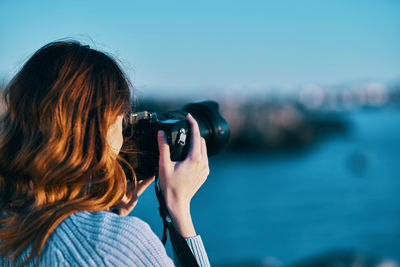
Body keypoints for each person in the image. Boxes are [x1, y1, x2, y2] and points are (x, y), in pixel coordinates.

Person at [0, 41, 211, 266]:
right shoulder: (116, 245)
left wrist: (103, 216)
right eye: (121, 122)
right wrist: (179, 209)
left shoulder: (9, 223)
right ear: (99, 132)